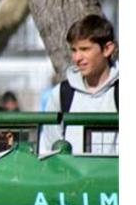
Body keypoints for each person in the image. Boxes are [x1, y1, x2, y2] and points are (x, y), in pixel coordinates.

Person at [38, 14, 118, 154]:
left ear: (107, 49)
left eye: (85, 49)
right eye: (74, 50)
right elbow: (49, 151)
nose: (77, 58)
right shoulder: (61, 94)